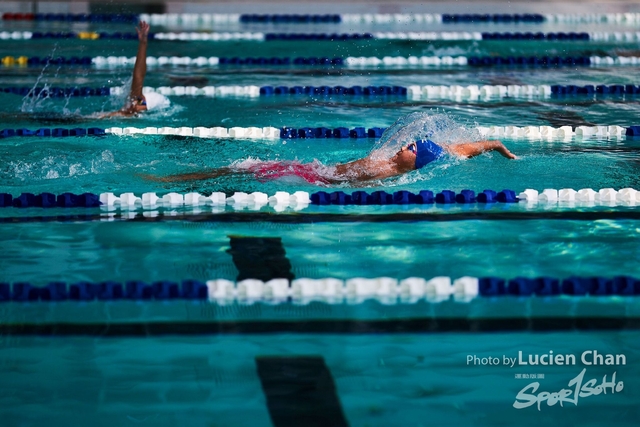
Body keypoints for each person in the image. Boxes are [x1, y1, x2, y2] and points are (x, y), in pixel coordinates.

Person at [144, 135, 517, 185]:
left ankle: (174, 181)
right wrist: (499, 146)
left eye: (412, 148)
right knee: (240, 168)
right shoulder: (409, 160)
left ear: (414, 162)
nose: (405, 145)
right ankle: (179, 179)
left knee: (236, 173)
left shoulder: (385, 173)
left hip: (314, 179)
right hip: (314, 171)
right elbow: (466, 148)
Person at [99, 21, 169, 117]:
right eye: (140, 103)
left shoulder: (136, 104)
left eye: (140, 103)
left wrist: (143, 43)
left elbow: (138, 76)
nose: (135, 106)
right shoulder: (132, 105)